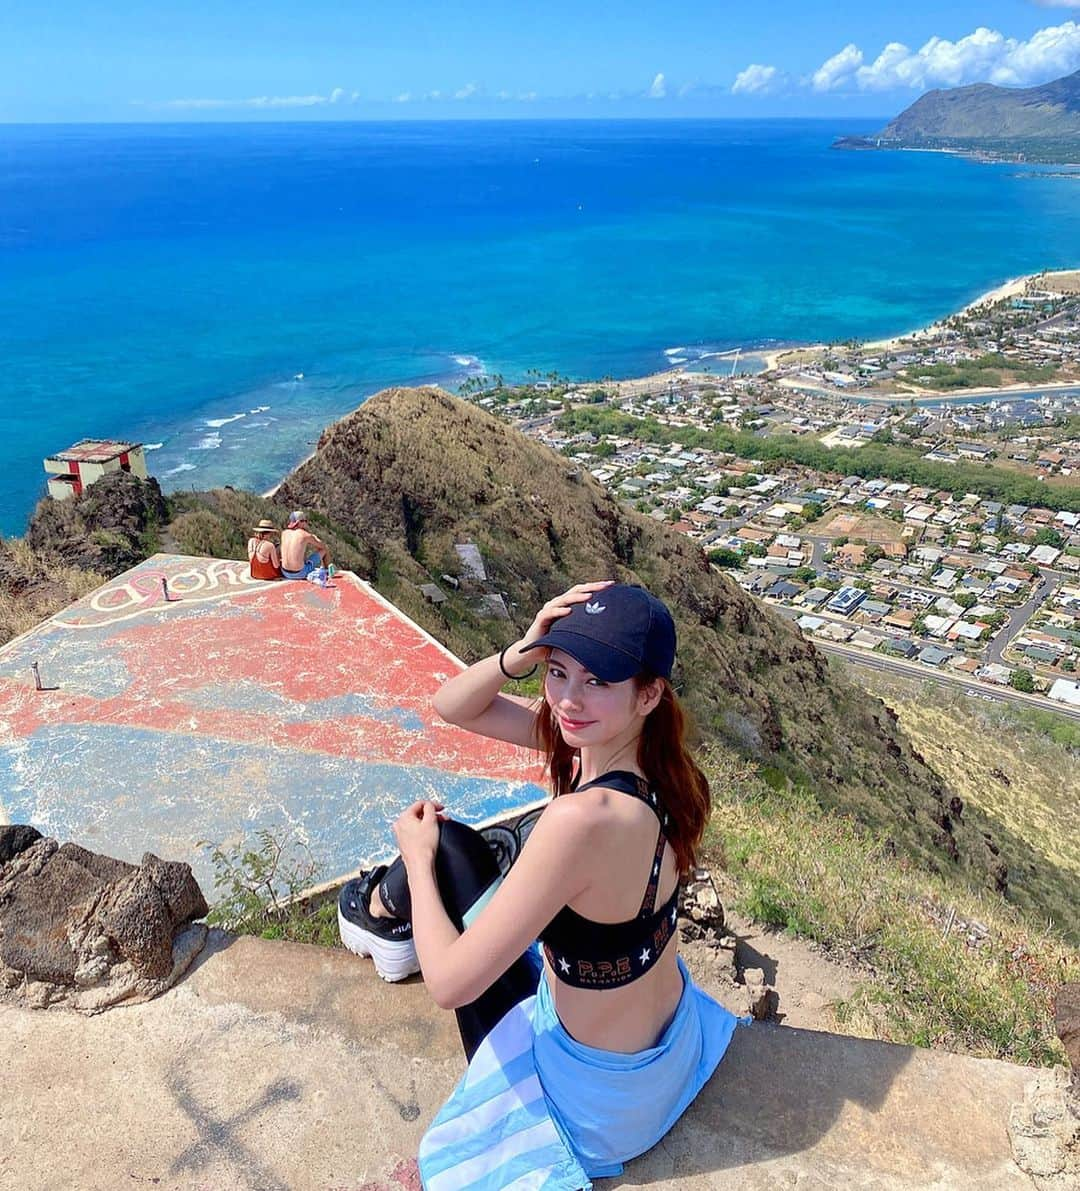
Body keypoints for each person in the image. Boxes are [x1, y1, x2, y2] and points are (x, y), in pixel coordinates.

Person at [337, 581, 747, 1189]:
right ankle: (388, 911)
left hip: (595, 1107)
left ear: (649, 694)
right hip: (660, 1059)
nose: (568, 700)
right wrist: (523, 652)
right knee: (460, 850)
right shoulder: (656, 768)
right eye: (558, 673)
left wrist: (417, 860)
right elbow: (454, 705)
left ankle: (386, 909)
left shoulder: (581, 820)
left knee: (440, 851)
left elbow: (449, 985)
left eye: (598, 681)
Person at [279, 510, 330, 580]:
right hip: (299, 573)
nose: (306, 523)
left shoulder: (284, 533)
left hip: (285, 572)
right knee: (324, 549)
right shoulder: (305, 535)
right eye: (305, 521)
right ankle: (327, 571)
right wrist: (314, 537)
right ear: (300, 522)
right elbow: (322, 546)